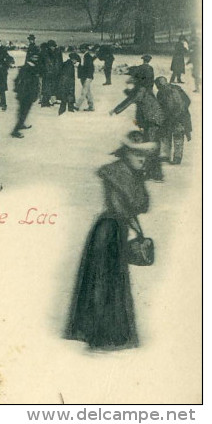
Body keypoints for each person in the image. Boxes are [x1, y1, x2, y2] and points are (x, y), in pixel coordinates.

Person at [65, 132, 153, 351]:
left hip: (111, 230)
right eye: (137, 154)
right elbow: (133, 205)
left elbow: (141, 205)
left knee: (106, 280)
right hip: (110, 231)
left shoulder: (128, 172)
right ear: (126, 153)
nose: (142, 159)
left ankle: (99, 333)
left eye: (144, 155)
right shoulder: (119, 173)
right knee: (106, 281)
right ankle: (104, 335)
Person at [111, 72, 165, 182]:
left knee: (151, 147)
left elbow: (130, 100)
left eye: (131, 80)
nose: (130, 81)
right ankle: (152, 173)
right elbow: (132, 96)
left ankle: (157, 175)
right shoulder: (142, 89)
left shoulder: (140, 90)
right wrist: (127, 87)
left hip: (153, 121)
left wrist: (116, 110)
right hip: (151, 120)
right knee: (150, 146)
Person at [155, 77, 191, 165]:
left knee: (168, 135)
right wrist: (183, 111)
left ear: (159, 85)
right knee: (178, 137)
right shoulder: (177, 88)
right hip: (180, 117)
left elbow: (161, 107)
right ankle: (177, 157)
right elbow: (188, 101)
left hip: (173, 117)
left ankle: (167, 156)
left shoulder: (161, 92)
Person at [11, 52, 40, 138]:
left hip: (26, 93)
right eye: (34, 57)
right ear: (30, 58)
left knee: (24, 111)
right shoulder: (28, 68)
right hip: (26, 94)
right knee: (23, 112)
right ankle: (15, 131)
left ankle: (21, 124)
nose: (36, 59)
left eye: (37, 57)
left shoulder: (31, 67)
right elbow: (20, 81)